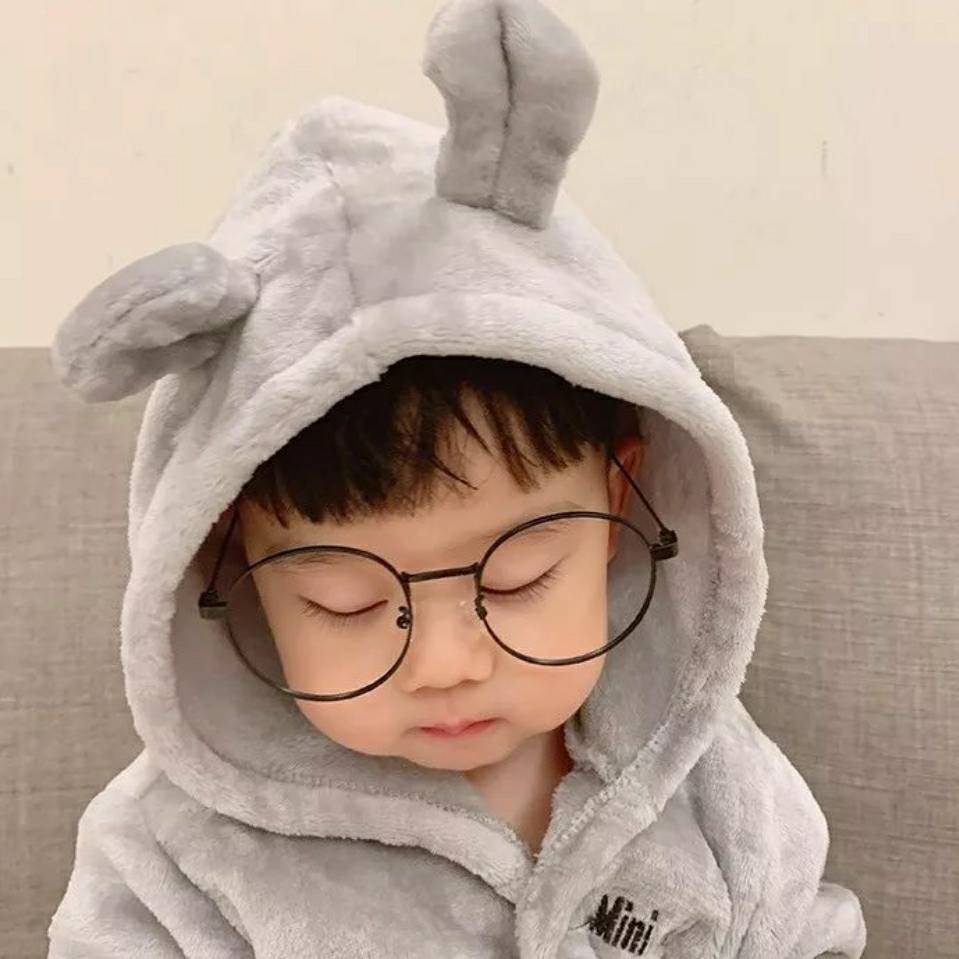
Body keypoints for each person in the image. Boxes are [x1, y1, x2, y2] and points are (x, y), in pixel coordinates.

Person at [46, 0, 866, 956]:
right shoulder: (170, 852)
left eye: (517, 578)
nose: (445, 664)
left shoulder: (705, 775)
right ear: (225, 560)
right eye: (347, 603)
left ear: (615, 499)